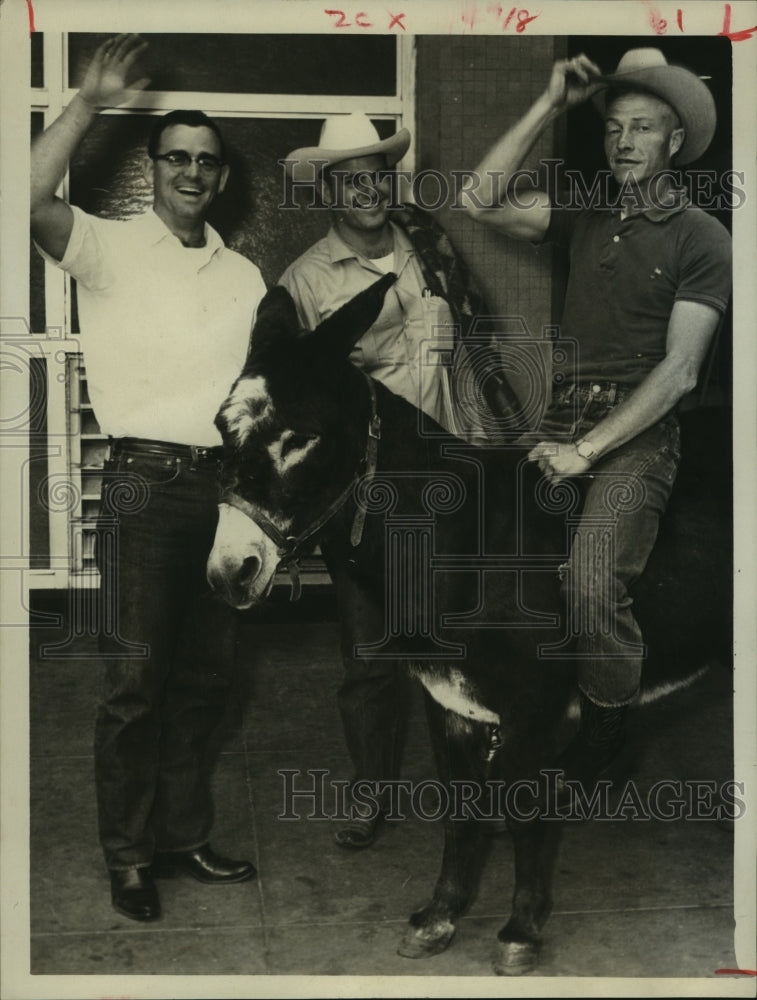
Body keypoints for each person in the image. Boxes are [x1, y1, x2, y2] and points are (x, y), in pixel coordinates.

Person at [31, 34, 266, 921]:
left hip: (225, 493)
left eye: (208, 162)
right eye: (178, 158)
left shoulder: (244, 274)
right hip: (140, 484)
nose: (194, 172)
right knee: (135, 684)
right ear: (156, 168)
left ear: (221, 178)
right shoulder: (107, 247)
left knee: (207, 680)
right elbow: (22, 198)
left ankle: (181, 836)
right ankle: (127, 857)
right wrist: (87, 104)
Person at [463, 48, 731, 789]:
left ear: (674, 140)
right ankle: (513, 706)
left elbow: (678, 372)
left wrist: (586, 451)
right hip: (557, 420)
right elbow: (480, 199)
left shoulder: (701, 237)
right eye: (614, 127)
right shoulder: (586, 214)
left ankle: (606, 724)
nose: (623, 142)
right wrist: (549, 103)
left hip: (636, 436)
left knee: (586, 577)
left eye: (641, 128)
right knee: (490, 556)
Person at [279, 114, 503, 847]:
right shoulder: (305, 282)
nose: (369, 189)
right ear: (327, 191)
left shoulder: (426, 245)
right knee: (370, 653)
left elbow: (471, 345)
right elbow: (308, 401)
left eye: (377, 173)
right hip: (366, 498)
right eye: (351, 180)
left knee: (465, 641)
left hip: (448, 479)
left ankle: (480, 788)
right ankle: (371, 792)